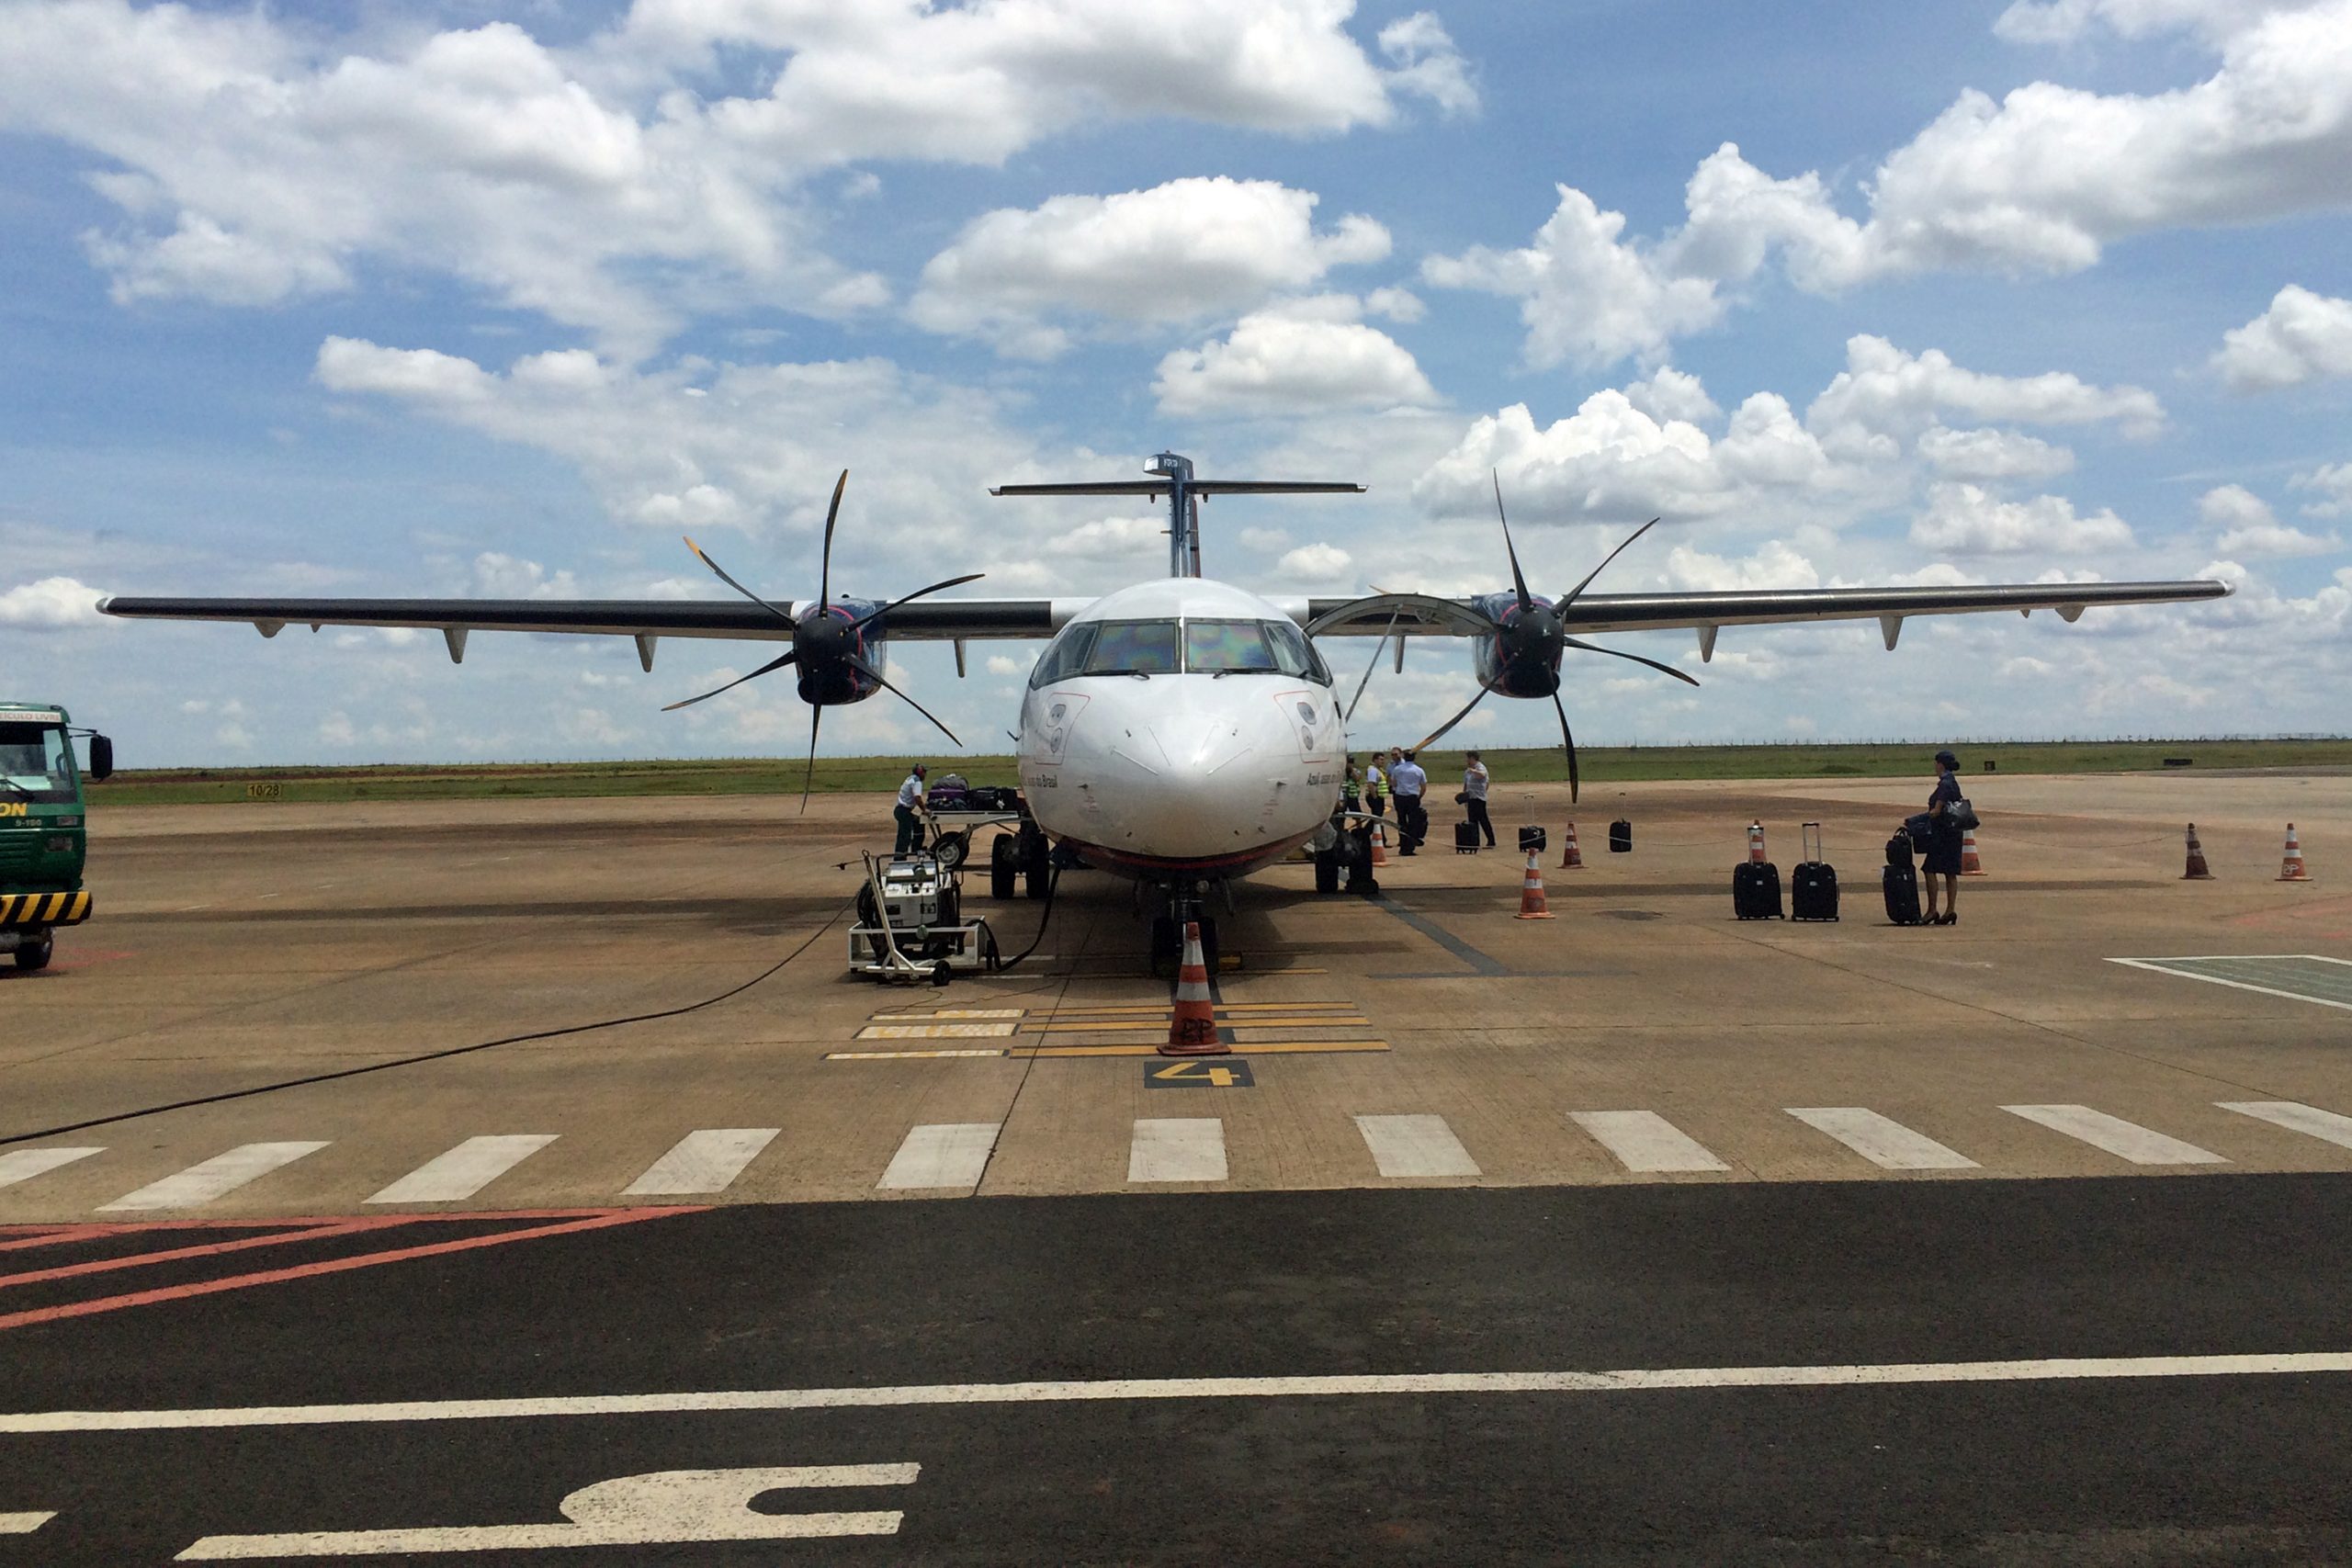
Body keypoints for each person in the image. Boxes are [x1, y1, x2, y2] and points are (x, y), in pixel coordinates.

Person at [1922, 749, 1964, 925]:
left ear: (1940, 764)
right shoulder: (1953, 782)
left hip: (1942, 834)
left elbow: (1936, 811)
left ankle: (1932, 910)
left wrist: (1920, 818)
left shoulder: (1945, 784)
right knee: (1950, 872)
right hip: (1955, 833)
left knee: (1929, 869)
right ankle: (1950, 910)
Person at [1389, 748, 1428, 855]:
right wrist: (1418, 797)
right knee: (1413, 823)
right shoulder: (1419, 770)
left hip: (1400, 797)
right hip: (1413, 797)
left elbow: (1394, 783)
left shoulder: (1397, 769)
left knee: (1401, 821)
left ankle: (1403, 844)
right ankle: (1410, 847)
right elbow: (1423, 787)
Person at [1462, 750, 1494, 848]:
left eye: (1468, 758)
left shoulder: (1480, 767)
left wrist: (1473, 770)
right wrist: (1464, 797)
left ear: (1472, 758)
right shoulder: (1467, 771)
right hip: (1471, 798)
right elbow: (1466, 785)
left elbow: (1483, 775)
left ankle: (1491, 841)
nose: (1467, 760)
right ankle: (1474, 842)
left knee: (1483, 820)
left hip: (1479, 799)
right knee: (1472, 821)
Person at [893, 763, 928, 855]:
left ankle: (916, 848)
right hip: (904, 811)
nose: (925, 774)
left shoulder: (910, 778)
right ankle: (900, 856)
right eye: (924, 772)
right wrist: (925, 810)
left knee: (918, 823)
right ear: (920, 772)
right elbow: (917, 798)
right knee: (905, 835)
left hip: (901, 810)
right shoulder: (917, 782)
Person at [1363, 754, 1385, 819]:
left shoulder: (1378, 770)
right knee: (1377, 816)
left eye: (1383, 759)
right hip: (1374, 796)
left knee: (1378, 815)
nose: (1383, 761)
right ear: (1375, 760)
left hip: (1378, 796)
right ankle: (1369, 829)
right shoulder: (1372, 770)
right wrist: (1375, 797)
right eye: (1381, 759)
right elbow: (1371, 784)